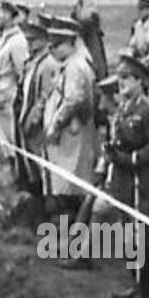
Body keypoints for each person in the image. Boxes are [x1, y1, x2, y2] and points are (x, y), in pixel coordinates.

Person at [99, 55, 149, 298]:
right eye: (120, 78)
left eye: (127, 78)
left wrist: (128, 158)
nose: (122, 83)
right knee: (127, 234)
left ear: (140, 81)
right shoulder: (124, 107)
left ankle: (145, 292)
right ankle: (134, 284)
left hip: (140, 181)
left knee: (141, 237)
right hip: (123, 181)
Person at [42, 27, 98, 210]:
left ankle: (69, 230)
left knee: (68, 185)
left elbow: (73, 99)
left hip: (71, 133)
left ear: (71, 44)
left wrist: (56, 124)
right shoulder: (71, 64)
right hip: (70, 133)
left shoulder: (75, 66)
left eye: (57, 45)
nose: (53, 50)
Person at [16, 20, 61, 199]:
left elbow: (46, 96)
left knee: (42, 164)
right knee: (31, 160)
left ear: (44, 40)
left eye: (33, 40)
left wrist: (34, 117)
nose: (29, 44)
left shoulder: (48, 63)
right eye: (27, 41)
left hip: (39, 123)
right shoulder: (35, 60)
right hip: (28, 118)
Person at [0, 0, 30, 171]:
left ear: (12, 17)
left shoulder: (17, 41)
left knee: (11, 136)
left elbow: (22, 71)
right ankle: (12, 166)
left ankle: (18, 170)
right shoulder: (4, 37)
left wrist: (18, 95)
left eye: (3, 13)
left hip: (8, 93)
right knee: (3, 136)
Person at [70, 0, 108, 80]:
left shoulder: (89, 1)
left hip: (90, 36)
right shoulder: (78, 4)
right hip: (82, 35)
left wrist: (78, 24)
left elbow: (87, 19)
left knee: (96, 61)